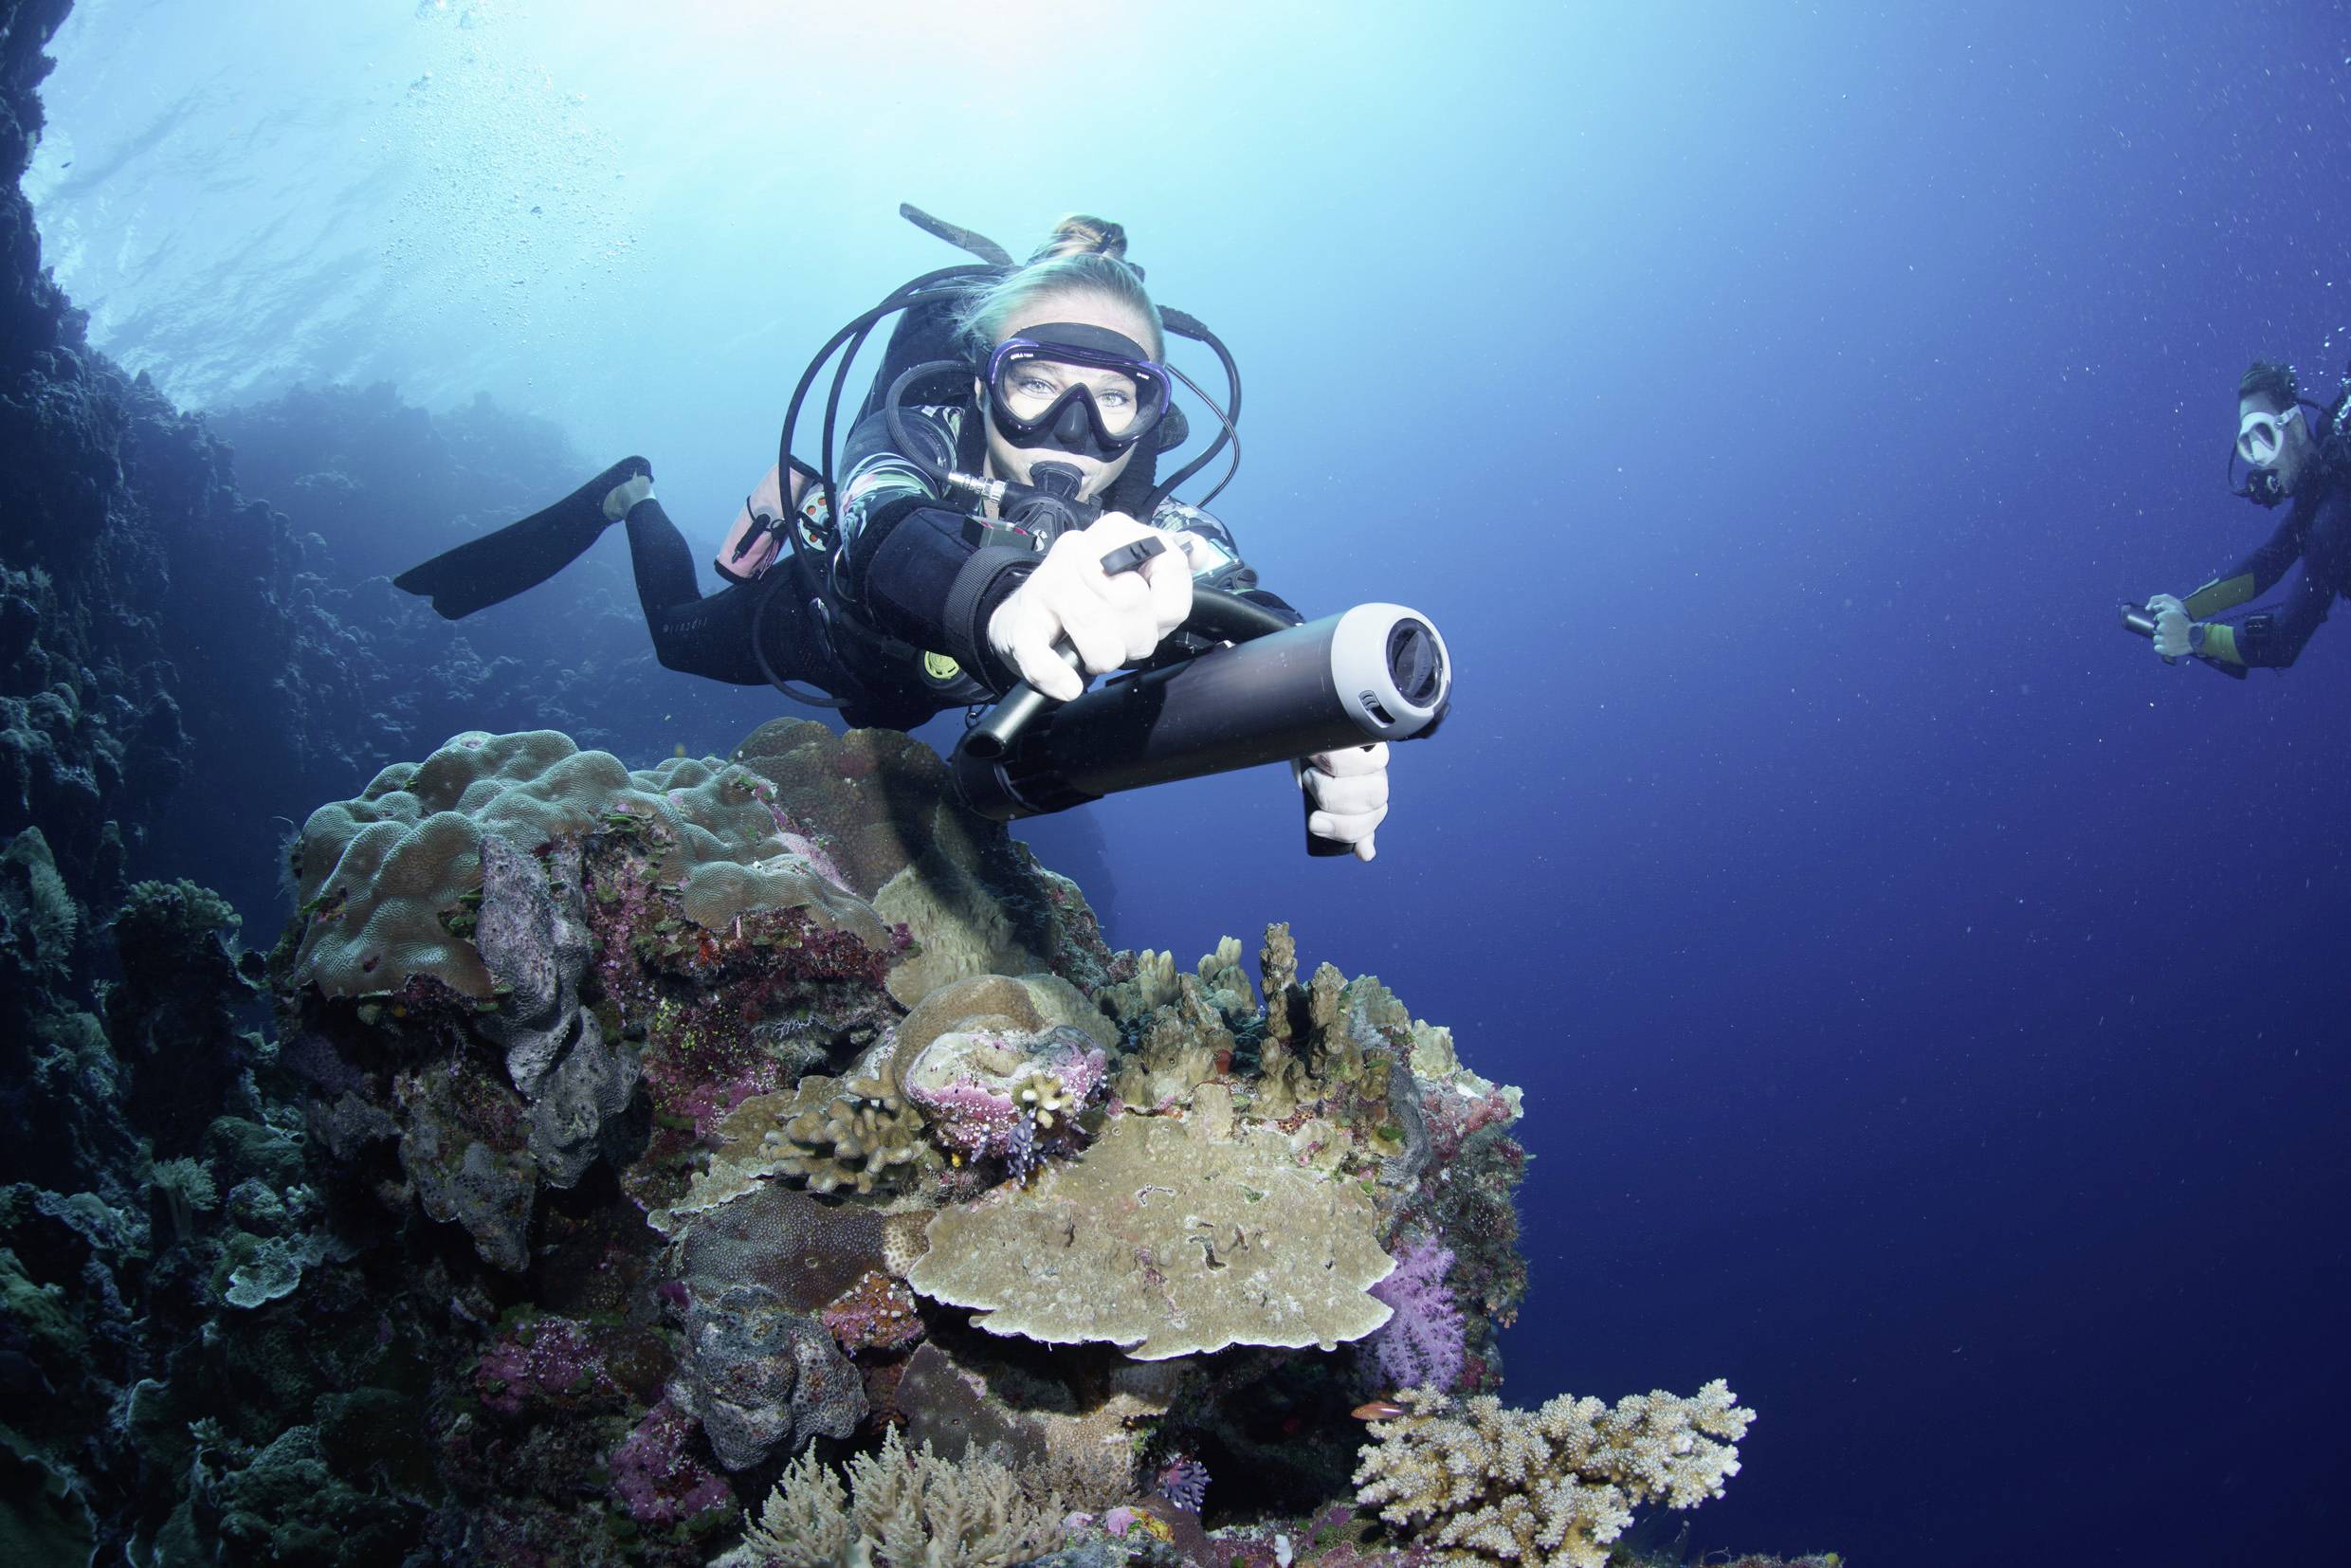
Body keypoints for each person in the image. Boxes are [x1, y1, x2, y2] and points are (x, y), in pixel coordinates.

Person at [394, 216, 1394, 858]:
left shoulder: (1147, 526)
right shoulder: (914, 431)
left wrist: (1310, 702)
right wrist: (1003, 601)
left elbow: (1235, 589)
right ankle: (632, 493)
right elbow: (883, 522)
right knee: (674, 637)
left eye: (1112, 401)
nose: (1070, 435)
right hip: (833, 635)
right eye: (1036, 383)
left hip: (925, 704)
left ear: (1149, 419)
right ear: (981, 381)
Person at [2142, 360, 2351, 671]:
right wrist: (2188, 609)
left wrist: (2194, 637)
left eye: (2265, 435)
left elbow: (2284, 643)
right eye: (2249, 444)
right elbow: (2269, 561)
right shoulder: (2321, 476)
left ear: (2294, 427)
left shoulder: (2334, 513)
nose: (2259, 460)